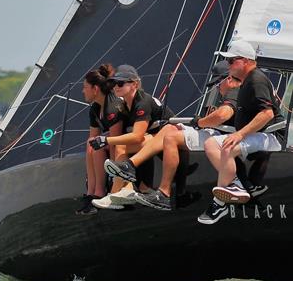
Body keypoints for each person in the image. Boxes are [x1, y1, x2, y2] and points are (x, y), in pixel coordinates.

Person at [105, 63, 241, 211]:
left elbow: (223, 114)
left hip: (222, 139)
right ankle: (148, 188)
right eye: (113, 83)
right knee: (167, 134)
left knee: (168, 133)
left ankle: (130, 183)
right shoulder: (123, 105)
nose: (216, 88)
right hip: (193, 139)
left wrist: (201, 122)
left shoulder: (234, 91)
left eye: (217, 83)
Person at [197, 40, 285, 225]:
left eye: (231, 61)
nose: (228, 65)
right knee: (210, 143)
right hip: (256, 135)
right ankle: (237, 183)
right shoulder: (247, 82)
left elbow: (267, 113)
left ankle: (219, 203)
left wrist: (239, 134)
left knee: (229, 146)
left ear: (245, 61)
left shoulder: (256, 79)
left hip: (271, 136)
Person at [89, 64, 173, 210]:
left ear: (134, 84)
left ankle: (116, 192)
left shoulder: (142, 102)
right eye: (114, 83)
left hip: (167, 136)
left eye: (120, 83)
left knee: (121, 144)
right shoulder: (124, 105)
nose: (116, 87)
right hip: (153, 137)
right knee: (119, 144)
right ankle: (124, 190)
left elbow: (137, 136)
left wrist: (106, 140)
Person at [77, 64, 126, 215]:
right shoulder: (95, 109)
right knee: (91, 143)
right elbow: (92, 138)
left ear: (95, 89)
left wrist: (114, 175)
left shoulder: (112, 106)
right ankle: (91, 193)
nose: (82, 90)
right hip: (114, 141)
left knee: (98, 143)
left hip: (128, 140)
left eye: (85, 87)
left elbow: (115, 142)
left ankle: (102, 191)